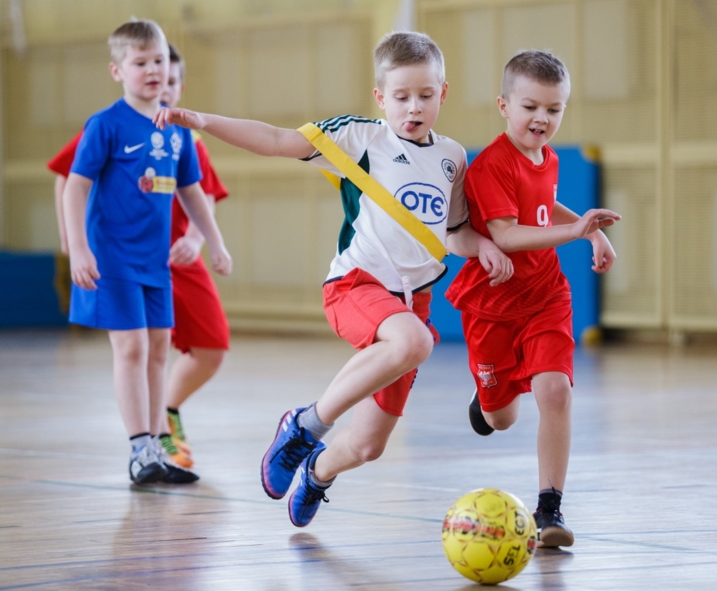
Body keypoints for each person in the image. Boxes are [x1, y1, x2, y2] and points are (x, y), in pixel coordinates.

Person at [155, 31, 513, 526]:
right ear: (380, 97)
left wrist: (484, 245)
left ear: (443, 93)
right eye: (401, 96)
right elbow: (276, 140)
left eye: (425, 95)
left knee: (368, 445)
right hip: (356, 285)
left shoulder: (452, 157)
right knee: (415, 341)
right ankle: (303, 426)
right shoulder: (360, 137)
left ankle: (317, 472)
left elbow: (453, 234)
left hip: (413, 302)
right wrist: (204, 121)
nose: (413, 107)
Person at [445, 50, 621, 547]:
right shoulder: (489, 166)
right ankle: (487, 400)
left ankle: (549, 510)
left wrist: (590, 232)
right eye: (530, 107)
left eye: (554, 109)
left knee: (556, 392)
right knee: (501, 419)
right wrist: (576, 232)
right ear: (504, 106)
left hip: (545, 296)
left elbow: (543, 206)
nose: (542, 118)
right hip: (493, 304)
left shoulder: (549, 157)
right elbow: (505, 234)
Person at [62, 19, 232, 485]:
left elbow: (193, 192)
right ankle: (139, 449)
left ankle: (157, 446)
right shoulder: (105, 124)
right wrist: (78, 248)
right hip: (113, 258)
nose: (153, 70)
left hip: (156, 262)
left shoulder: (177, 129)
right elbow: (74, 187)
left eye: (158, 60)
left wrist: (213, 242)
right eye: (141, 63)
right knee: (133, 347)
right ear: (117, 70)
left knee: (159, 348)